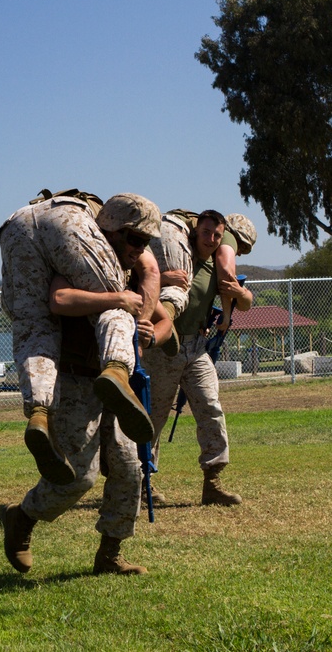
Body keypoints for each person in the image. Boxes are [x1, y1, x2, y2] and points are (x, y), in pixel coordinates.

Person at [2, 193, 161, 576]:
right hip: (76, 379)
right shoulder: (74, 260)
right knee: (77, 478)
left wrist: (144, 324)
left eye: (145, 243)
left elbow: (155, 289)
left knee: (129, 468)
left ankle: (110, 554)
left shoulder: (129, 268)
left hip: (114, 384)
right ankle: (22, 518)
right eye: (134, 240)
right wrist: (116, 299)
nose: (138, 251)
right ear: (110, 232)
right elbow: (58, 299)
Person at [141, 211, 256, 507]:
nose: (211, 240)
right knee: (153, 418)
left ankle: (213, 482)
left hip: (197, 348)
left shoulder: (217, 268)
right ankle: (142, 483)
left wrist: (237, 296)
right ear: (195, 232)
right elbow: (133, 279)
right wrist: (165, 277)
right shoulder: (176, 257)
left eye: (217, 235)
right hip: (163, 349)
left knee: (211, 408)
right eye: (206, 233)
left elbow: (245, 300)